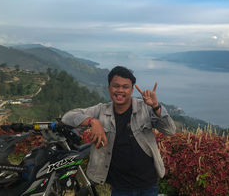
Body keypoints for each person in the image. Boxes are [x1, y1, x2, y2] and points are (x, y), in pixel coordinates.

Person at [62, 66, 176, 196]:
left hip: (148, 185)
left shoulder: (145, 108)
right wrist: (93, 121)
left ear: (132, 90)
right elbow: (67, 117)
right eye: (116, 86)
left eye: (125, 87)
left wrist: (156, 106)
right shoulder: (101, 111)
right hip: (120, 187)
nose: (120, 90)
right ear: (109, 88)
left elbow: (170, 130)